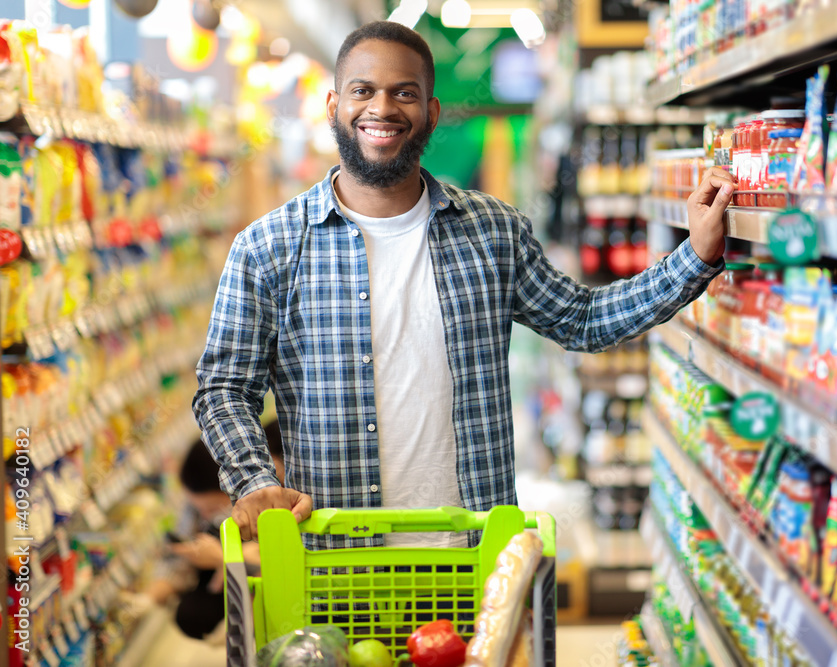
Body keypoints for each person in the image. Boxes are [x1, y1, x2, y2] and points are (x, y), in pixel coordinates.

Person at [193, 21, 735, 550]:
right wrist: (254, 481)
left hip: (474, 560)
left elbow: (583, 320)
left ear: (430, 113)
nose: (381, 108)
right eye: (363, 91)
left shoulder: (493, 231)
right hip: (337, 560)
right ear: (334, 106)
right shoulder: (267, 249)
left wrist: (694, 255)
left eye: (403, 93)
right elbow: (224, 388)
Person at [151, 422, 284, 639]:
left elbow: (280, 568)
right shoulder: (200, 490)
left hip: (267, 568)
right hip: (239, 563)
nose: (206, 516)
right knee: (192, 614)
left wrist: (226, 560)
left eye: (213, 508)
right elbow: (178, 551)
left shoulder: (276, 482)